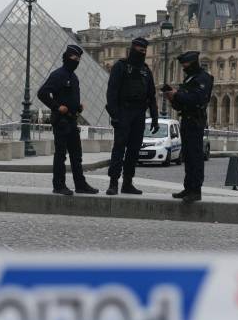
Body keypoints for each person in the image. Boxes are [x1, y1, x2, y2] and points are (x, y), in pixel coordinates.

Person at [36, 44, 99, 196]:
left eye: (78, 58)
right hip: (61, 121)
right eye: (74, 57)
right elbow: (42, 93)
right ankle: (58, 185)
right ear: (66, 57)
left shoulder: (74, 77)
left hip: (72, 120)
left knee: (76, 156)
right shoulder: (58, 75)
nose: (76, 60)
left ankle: (80, 184)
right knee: (61, 155)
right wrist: (56, 107)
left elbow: (70, 98)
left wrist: (78, 107)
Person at [105, 36, 159, 195]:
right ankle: (113, 182)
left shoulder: (145, 70)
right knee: (119, 148)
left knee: (134, 150)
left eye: (144, 51)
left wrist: (155, 118)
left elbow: (151, 96)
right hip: (124, 112)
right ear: (132, 49)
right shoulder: (120, 67)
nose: (142, 52)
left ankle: (127, 182)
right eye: (139, 50)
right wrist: (114, 115)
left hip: (139, 114)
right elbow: (112, 93)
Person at [163, 51, 213, 203]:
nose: (183, 67)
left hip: (196, 120)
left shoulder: (204, 78)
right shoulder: (190, 78)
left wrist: (177, 95)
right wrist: (172, 98)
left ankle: (195, 190)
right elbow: (181, 104)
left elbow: (197, 99)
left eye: (185, 64)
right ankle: (188, 187)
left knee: (195, 156)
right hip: (186, 119)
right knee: (188, 156)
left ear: (193, 62)